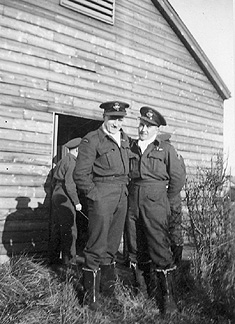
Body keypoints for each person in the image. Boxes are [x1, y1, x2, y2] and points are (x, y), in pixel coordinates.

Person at [125, 106, 186, 316]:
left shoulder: (165, 149)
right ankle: (142, 292)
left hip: (156, 200)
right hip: (134, 199)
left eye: (148, 126)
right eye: (141, 124)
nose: (143, 129)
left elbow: (178, 179)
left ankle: (168, 300)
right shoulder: (132, 147)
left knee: (160, 248)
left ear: (157, 129)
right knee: (135, 246)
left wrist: (165, 202)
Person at [73, 100, 130, 309]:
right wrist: (94, 195)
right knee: (96, 244)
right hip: (102, 194)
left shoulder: (125, 139)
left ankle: (108, 291)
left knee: (113, 245)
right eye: (112, 118)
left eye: (120, 118)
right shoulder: (92, 139)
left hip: (122, 194)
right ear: (104, 117)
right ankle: (91, 297)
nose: (116, 123)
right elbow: (80, 174)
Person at [48, 137, 82, 266]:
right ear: (77, 150)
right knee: (70, 229)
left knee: (57, 227)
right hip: (65, 196)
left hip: (57, 193)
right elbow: (70, 185)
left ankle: (53, 259)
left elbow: (53, 182)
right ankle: (69, 261)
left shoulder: (63, 160)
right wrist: (77, 202)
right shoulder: (72, 163)